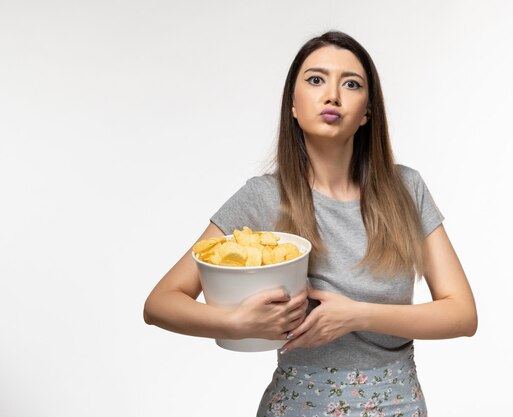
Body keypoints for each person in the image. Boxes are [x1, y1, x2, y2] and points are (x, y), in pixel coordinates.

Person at [144, 30, 477, 417]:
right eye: (316, 80)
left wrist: (358, 314)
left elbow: (462, 314)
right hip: (299, 405)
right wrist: (236, 322)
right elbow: (160, 303)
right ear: (293, 105)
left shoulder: (407, 188)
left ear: (368, 110)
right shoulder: (264, 196)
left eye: (351, 84)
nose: (332, 95)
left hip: (397, 404)